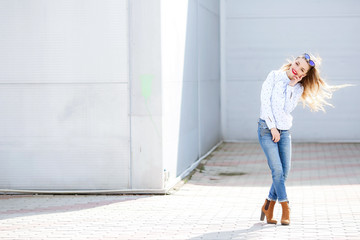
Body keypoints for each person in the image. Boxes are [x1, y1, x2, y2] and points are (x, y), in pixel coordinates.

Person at [258, 53, 344, 225]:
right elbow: (265, 102)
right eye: (296, 63)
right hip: (267, 130)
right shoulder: (274, 76)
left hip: (285, 132)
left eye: (301, 69)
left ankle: (268, 204)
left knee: (285, 172)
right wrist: (273, 127)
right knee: (277, 170)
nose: (296, 68)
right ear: (293, 61)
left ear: (304, 75)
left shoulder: (298, 88)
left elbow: (287, 109)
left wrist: (291, 86)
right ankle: (285, 207)